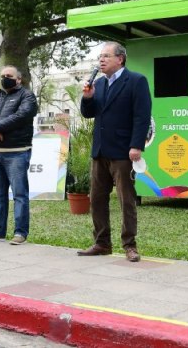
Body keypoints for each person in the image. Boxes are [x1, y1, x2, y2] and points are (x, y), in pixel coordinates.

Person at [77, 42, 152, 262]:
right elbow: (88, 113)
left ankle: (129, 245)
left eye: (106, 56)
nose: (101, 60)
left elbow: (142, 116)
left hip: (123, 151)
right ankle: (102, 243)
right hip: (100, 150)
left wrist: (136, 145)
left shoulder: (136, 81)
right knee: (97, 199)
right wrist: (88, 97)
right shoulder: (98, 84)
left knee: (126, 200)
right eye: (100, 57)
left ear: (120, 59)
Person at [0, 66, 38, 245]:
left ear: (19, 79)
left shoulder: (27, 96)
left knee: (19, 194)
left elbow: (22, 115)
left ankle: (20, 233)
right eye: (3, 76)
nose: (5, 78)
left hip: (17, 152)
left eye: (9, 76)